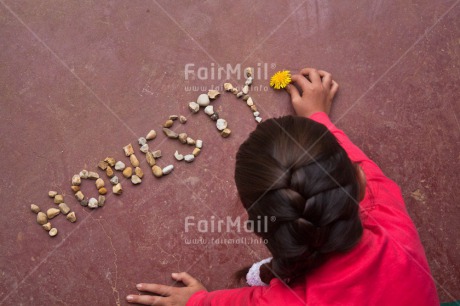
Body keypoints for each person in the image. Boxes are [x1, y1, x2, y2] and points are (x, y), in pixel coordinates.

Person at [126, 68, 439, 305]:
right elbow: (353, 166)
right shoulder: (389, 215)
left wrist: (195, 301)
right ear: (359, 179)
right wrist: (318, 119)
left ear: (257, 223)